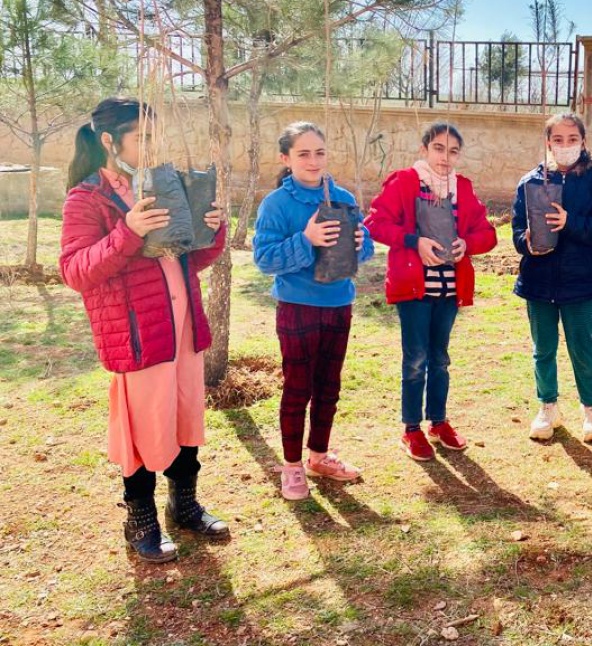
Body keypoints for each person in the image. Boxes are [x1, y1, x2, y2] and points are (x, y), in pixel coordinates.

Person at [59, 97, 229, 563]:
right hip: (137, 335)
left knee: (184, 418)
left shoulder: (162, 184)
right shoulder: (88, 197)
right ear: (110, 141)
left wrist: (211, 231)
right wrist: (128, 231)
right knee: (143, 430)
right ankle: (140, 519)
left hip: (183, 328)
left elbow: (192, 259)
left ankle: (185, 504)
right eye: (142, 138)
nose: (152, 147)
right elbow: (75, 271)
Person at [253, 122, 375, 501]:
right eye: (303, 153)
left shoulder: (341, 197)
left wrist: (361, 241)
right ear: (285, 159)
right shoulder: (276, 204)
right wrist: (306, 240)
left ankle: (319, 457)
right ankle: (292, 467)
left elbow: (364, 249)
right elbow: (264, 259)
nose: (312, 160)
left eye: (319, 152)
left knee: (328, 387)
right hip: (297, 308)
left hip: (339, 305)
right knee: (297, 388)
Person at [366, 122, 497, 462]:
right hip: (413, 288)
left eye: (453, 151)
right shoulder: (404, 181)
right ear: (424, 149)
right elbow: (376, 223)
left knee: (440, 358)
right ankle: (411, 428)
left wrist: (466, 244)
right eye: (439, 148)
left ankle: (438, 422)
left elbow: (488, 235)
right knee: (416, 359)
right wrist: (414, 241)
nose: (445, 157)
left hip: (450, 289)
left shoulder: (462, 188)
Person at [512, 112, 592, 442]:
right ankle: (548, 409)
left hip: (580, 280)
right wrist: (526, 242)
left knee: (582, 349)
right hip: (538, 281)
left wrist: (570, 222)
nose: (565, 145)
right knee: (542, 348)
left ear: (583, 142)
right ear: (548, 143)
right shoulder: (531, 181)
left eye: (572, 139)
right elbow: (517, 229)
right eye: (557, 140)